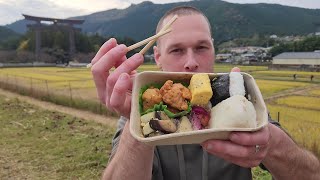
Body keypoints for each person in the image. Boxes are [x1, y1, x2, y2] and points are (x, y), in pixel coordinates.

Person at [90, 6, 320, 180]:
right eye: (177, 50)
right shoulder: (140, 110)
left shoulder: (238, 99)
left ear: (213, 50)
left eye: (201, 48)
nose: (191, 62)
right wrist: (136, 128)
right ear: (158, 57)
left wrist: (273, 144)